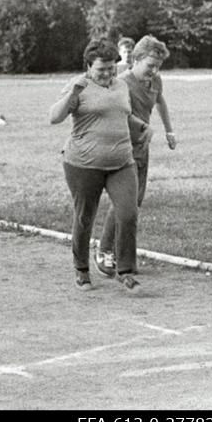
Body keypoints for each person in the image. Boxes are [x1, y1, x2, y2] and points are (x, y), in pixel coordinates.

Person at [49, 38, 141, 292]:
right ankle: (81, 269)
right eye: (101, 68)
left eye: (111, 67)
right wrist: (73, 93)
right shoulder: (78, 86)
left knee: (128, 213)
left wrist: (140, 126)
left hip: (122, 162)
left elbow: (122, 113)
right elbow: (54, 117)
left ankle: (125, 271)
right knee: (84, 217)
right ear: (88, 66)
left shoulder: (121, 85)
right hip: (83, 164)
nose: (107, 73)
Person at [95, 34, 177, 277]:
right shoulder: (121, 83)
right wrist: (140, 127)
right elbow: (112, 115)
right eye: (150, 65)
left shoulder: (155, 80)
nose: (154, 70)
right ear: (136, 59)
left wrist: (169, 130)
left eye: (158, 66)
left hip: (142, 149)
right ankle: (104, 250)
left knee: (135, 203)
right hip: (122, 148)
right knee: (124, 202)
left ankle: (121, 254)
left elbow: (160, 101)